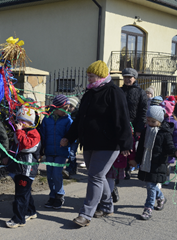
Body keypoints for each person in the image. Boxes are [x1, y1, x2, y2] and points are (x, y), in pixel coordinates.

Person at [61, 60, 133, 227]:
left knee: (95, 176)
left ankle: (86, 214)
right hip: (89, 142)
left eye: (92, 76)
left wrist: (125, 144)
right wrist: (69, 137)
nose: (89, 79)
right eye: (88, 76)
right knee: (99, 177)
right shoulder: (89, 93)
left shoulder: (114, 92)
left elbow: (122, 119)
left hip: (108, 143)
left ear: (101, 75)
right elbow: (79, 118)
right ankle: (107, 206)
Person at [129, 105, 177, 220]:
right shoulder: (146, 130)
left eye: (153, 121)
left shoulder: (165, 133)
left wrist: (174, 152)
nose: (149, 123)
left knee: (150, 186)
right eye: (148, 120)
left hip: (158, 164)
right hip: (146, 163)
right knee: (151, 185)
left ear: (159, 121)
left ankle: (148, 209)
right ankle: (160, 197)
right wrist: (136, 160)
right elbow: (141, 148)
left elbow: (169, 147)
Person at [5, 106, 41, 228]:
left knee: (20, 195)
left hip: (27, 170)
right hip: (18, 168)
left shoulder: (34, 134)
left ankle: (18, 219)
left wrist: (19, 132)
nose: (19, 123)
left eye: (22, 121)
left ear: (29, 122)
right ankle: (31, 211)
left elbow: (25, 146)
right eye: (18, 120)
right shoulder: (21, 132)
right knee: (25, 193)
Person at [40, 94, 72, 209]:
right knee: (49, 174)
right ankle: (52, 195)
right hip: (49, 151)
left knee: (56, 173)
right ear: (57, 108)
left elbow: (71, 136)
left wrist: (68, 142)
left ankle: (59, 195)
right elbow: (42, 135)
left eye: (68, 108)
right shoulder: (47, 119)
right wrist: (41, 150)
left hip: (61, 151)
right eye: (65, 108)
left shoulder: (68, 120)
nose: (67, 110)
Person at [121, 67, 148, 179]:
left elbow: (143, 111)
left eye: (130, 77)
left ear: (135, 78)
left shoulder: (140, 92)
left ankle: (128, 169)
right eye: (125, 77)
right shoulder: (119, 91)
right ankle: (119, 168)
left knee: (130, 149)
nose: (127, 79)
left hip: (133, 125)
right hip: (121, 124)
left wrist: (139, 129)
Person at [106, 127, 136, 203]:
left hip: (118, 159)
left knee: (110, 178)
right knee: (104, 179)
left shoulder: (124, 126)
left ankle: (107, 200)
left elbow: (130, 143)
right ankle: (108, 196)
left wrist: (132, 158)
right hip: (105, 157)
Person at [160, 97, 177, 186]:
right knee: (160, 163)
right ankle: (160, 177)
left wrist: (175, 148)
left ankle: (166, 177)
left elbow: (176, 136)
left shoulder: (173, 122)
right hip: (160, 147)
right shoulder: (159, 120)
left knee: (167, 165)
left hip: (170, 147)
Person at [63, 96, 80, 177]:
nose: (69, 108)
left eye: (71, 107)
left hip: (75, 138)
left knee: (72, 153)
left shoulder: (77, 115)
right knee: (70, 153)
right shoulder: (65, 114)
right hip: (68, 136)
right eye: (68, 106)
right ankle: (74, 167)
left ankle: (69, 169)